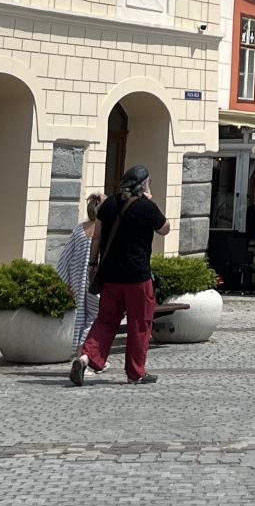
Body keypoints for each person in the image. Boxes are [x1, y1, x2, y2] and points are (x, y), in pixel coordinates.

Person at [69, 166, 169, 387]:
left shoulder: (109, 204)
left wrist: (93, 264)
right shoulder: (147, 207)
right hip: (137, 276)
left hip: (111, 275)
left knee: (105, 320)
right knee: (139, 323)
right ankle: (135, 373)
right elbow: (165, 229)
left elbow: (96, 237)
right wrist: (150, 201)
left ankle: (86, 358)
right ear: (143, 185)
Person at [54, 191, 104, 355]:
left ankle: (80, 351)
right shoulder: (103, 230)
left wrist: (67, 281)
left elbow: (65, 257)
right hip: (96, 279)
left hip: (77, 279)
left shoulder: (78, 230)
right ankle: (85, 353)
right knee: (97, 316)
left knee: (81, 315)